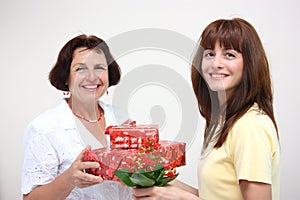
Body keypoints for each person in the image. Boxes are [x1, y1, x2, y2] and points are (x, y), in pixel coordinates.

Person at [133, 18, 280, 200]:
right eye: (209, 54)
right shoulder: (223, 123)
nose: (216, 63)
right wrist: (159, 182)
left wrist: (180, 198)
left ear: (250, 63)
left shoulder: (249, 126)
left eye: (229, 54)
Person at [22, 34, 133, 199]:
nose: (91, 76)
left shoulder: (122, 118)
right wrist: (69, 179)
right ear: (66, 77)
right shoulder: (44, 128)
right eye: (80, 68)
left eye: (99, 67)